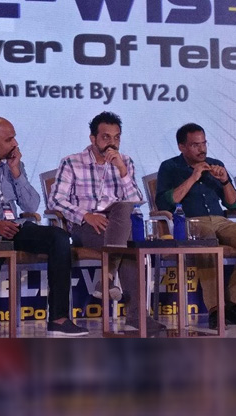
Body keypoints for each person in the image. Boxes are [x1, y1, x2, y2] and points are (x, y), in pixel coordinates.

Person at [0, 116, 87, 337]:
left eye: (14, 138)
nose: (15, 144)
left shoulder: (13, 165)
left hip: (15, 226)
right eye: (9, 140)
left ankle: (58, 318)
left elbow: (31, 205)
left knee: (59, 237)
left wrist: (16, 172)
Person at [48, 111, 167, 334]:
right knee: (129, 245)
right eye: (106, 137)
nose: (112, 143)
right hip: (86, 226)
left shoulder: (125, 162)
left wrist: (122, 171)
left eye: (116, 137)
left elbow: (136, 201)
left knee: (124, 210)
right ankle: (137, 317)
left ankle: (107, 278)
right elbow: (56, 200)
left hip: (117, 223)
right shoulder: (72, 162)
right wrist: (86, 215)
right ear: (93, 138)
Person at [155, 122, 236, 327]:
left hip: (221, 220)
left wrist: (225, 181)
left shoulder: (215, 164)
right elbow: (165, 203)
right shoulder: (169, 167)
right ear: (181, 146)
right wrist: (193, 177)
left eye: (204, 143)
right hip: (189, 221)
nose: (202, 149)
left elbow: (233, 204)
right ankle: (216, 309)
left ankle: (233, 305)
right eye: (195, 145)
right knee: (207, 239)